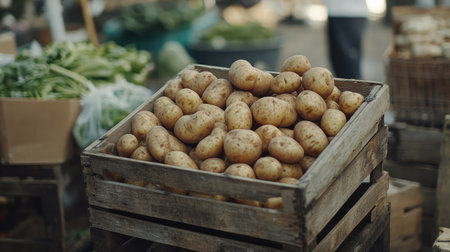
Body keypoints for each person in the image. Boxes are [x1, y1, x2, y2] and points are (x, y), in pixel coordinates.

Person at [324, 0, 368, 79]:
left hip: (349, 12)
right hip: (335, 11)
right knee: (338, 64)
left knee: (349, 69)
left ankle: (355, 90)